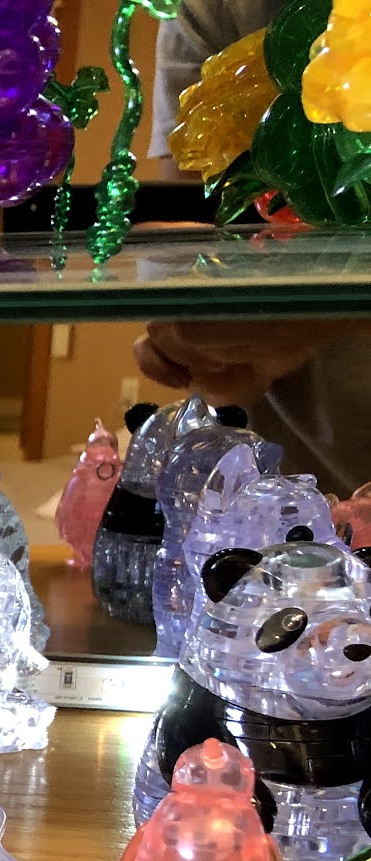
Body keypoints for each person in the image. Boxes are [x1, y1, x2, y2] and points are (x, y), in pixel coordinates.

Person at [139, 0, 371, 492]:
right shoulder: (209, 7)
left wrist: (327, 310)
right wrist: (211, 350)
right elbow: (199, 226)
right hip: (301, 482)